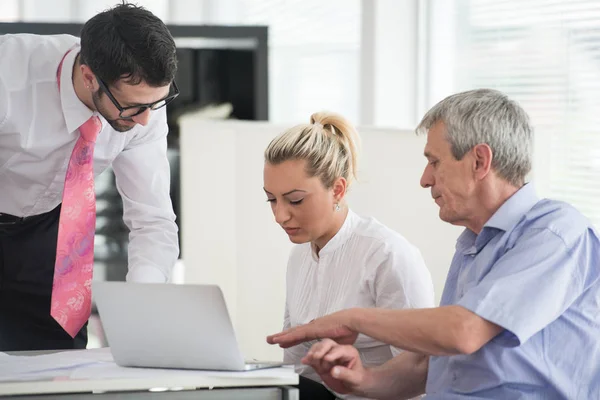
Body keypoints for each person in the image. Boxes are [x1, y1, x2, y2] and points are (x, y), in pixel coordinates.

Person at [266, 89, 600, 399]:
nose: (425, 179)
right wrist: (362, 380)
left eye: (435, 162)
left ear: (480, 161)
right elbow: (425, 364)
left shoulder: (555, 233)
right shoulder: (473, 244)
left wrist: (353, 319)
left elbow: (463, 333)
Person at [0, 3, 180, 351]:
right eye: (133, 108)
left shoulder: (143, 102)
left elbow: (152, 221)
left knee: (58, 363)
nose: (145, 120)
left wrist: (141, 305)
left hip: (49, 232)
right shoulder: (9, 75)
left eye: (156, 104)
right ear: (89, 76)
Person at [263, 111, 435, 399]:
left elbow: (420, 373)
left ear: (338, 190)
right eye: (271, 199)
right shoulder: (300, 256)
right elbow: (295, 369)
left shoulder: (386, 255)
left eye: (295, 200)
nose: (280, 215)